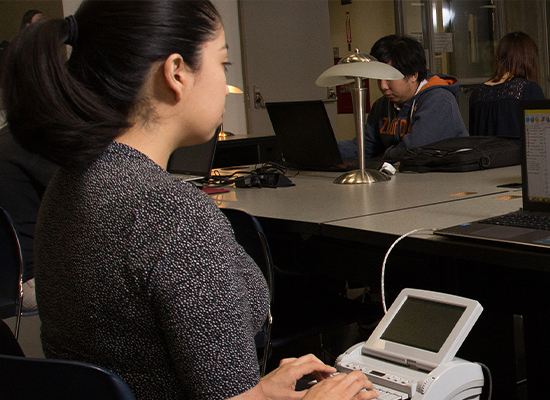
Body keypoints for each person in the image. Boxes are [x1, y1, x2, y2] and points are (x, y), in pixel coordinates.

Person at [1, 2, 377, 400]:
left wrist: (262, 394)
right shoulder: (173, 216)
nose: (226, 84)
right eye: (224, 64)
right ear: (176, 73)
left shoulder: (69, 184)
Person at [338, 35, 468, 162]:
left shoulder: (439, 101)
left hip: (443, 180)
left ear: (413, 74)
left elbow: (413, 150)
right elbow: (365, 147)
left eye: (390, 78)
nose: (383, 86)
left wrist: (383, 155)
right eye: (379, 78)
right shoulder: (382, 105)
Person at [0, 126, 58, 312]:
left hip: (8, 283)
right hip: (33, 280)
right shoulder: (26, 144)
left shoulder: (7, 141)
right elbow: (86, 191)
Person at [469, 31, 545, 143]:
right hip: (518, 160)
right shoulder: (528, 89)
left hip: (486, 160)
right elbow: (542, 138)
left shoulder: (477, 94)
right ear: (529, 59)